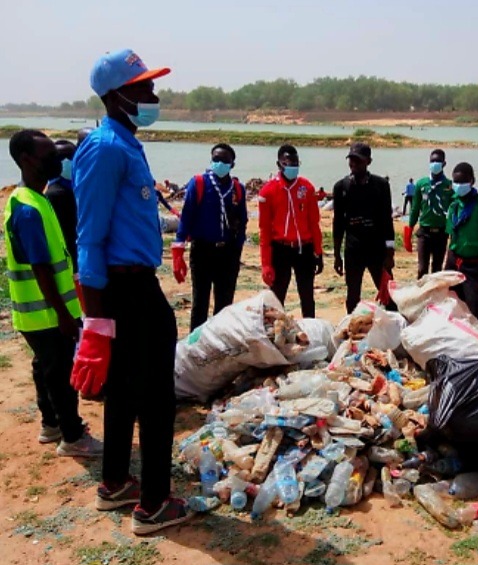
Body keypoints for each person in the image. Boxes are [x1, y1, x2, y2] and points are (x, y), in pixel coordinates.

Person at [72, 48, 194, 534]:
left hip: (134, 285)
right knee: (157, 398)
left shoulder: (125, 144)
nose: (153, 96)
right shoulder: (105, 149)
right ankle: (154, 504)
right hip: (128, 292)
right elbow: (89, 236)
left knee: (123, 391)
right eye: (144, 88)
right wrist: (96, 322)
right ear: (117, 95)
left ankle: (116, 482)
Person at [4, 130, 102, 457]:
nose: (57, 161)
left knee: (45, 366)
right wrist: (63, 315)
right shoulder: (29, 209)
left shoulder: (36, 198)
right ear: (28, 160)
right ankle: (72, 437)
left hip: (39, 312)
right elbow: (41, 268)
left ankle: (51, 424)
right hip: (45, 312)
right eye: (50, 156)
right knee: (60, 374)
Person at [172, 143, 248, 330]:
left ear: (232, 164)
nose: (220, 163)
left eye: (225, 160)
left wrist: (237, 248)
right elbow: (187, 216)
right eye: (216, 159)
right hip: (202, 250)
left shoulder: (237, 188)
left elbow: (243, 220)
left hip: (228, 252)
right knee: (200, 302)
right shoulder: (198, 183)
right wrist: (178, 248)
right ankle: (195, 346)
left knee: (224, 304)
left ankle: (219, 342)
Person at [258, 144, 323, 317]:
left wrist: (318, 251)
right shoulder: (268, 191)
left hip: (304, 248)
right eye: (288, 162)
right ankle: (275, 334)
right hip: (280, 249)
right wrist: (265, 263)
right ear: (279, 164)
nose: (293, 166)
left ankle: (310, 330)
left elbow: (314, 222)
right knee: (277, 297)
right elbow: (264, 229)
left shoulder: (307, 188)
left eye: (296, 162)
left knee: (307, 295)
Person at [332, 142, 395, 313]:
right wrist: (337, 255)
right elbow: (338, 223)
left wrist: (390, 253)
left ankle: (395, 330)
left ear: (368, 161)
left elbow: (387, 222)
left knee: (388, 294)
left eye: (358, 161)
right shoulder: (341, 187)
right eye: (351, 160)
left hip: (377, 250)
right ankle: (352, 331)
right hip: (353, 250)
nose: (354, 164)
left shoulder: (381, 185)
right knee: (352, 296)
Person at [444, 163, 478, 331]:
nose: (459, 185)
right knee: (452, 306)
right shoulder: (453, 205)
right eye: (455, 181)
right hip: (454, 260)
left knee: (474, 311)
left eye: (463, 181)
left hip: (473, 264)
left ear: (472, 181)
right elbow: (452, 237)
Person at [408, 149, 454, 278]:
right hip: (424, 232)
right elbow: (415, 208)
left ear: (444, 163)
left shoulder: (449, 186)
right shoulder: (421, 184)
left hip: (441, 232)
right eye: (432, 161)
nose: (435, 163)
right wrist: (409, 229)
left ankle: (434, 297)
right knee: (422, 269)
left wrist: (453, 231)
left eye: (438, 161)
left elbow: (454, 210)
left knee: (437, 269)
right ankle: (421, 295)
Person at [46, 140, 79, 275]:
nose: (66, 161)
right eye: (60, 157)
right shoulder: (55, 194)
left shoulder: (80, 189)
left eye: (70, 157)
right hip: (70, 265)